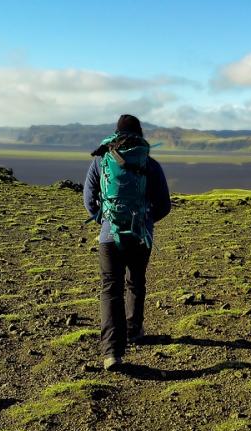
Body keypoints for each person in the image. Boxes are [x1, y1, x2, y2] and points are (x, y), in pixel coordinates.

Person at [83, 114, 171, 371]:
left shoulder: (101, 160)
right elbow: (164, 205)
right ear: (140, 134)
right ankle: (134, 329)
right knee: (136, 280)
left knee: (111, 289)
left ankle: (112, 352)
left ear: (115, 133)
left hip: (109, 237)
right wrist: (145, 221)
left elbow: (89, 200)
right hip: (141, 236)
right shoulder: (150, 164)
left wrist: (106, 220)